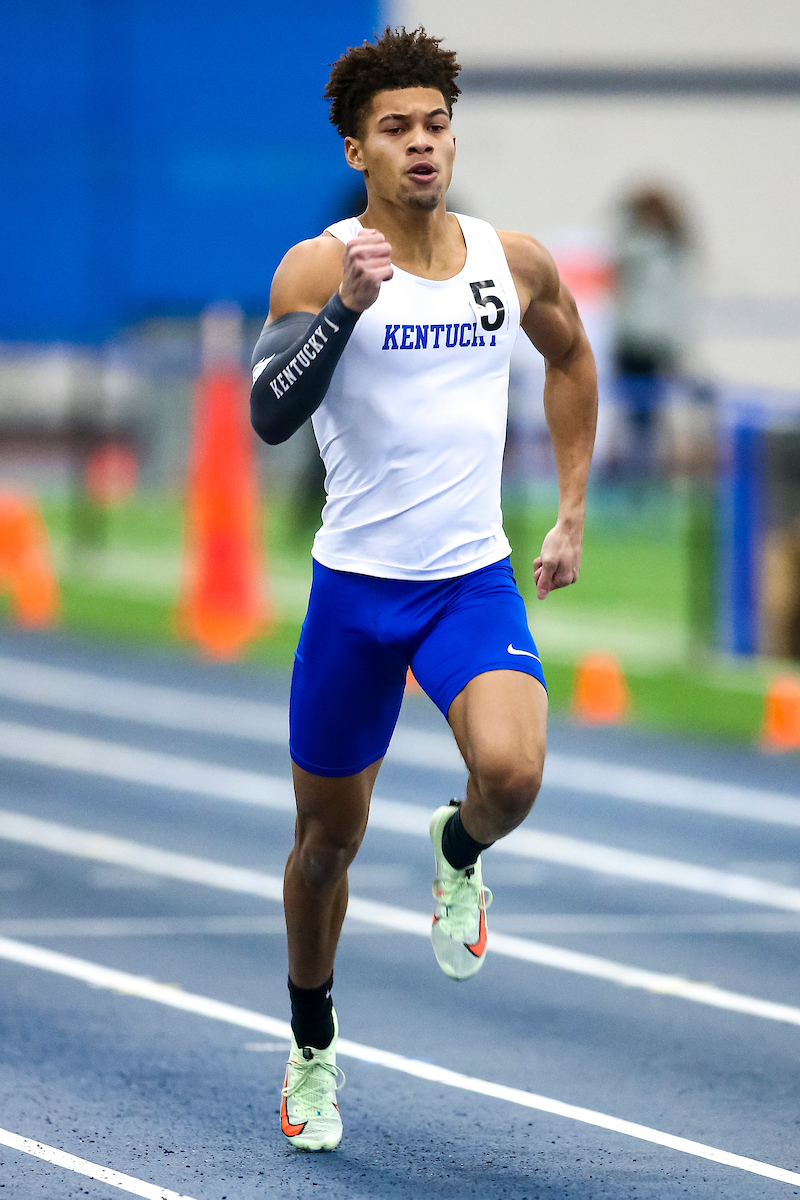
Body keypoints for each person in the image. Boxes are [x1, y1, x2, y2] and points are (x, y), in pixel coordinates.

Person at [250, 27, 597, 1151]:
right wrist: (346, 310)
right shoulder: (317, 267)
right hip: (356, 594)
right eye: (395, 128)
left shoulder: (512, 261)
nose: (420, 144)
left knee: (514, 772)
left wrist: (571, 508)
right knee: (324, 847)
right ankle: (311, 1047)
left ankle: (458, 849)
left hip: (467, 584)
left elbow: (569, 356)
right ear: (358, 149)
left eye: (435, 124)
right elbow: (268, 416)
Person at [611, 186, 693, 478]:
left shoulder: (653, 250)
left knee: (648, 415)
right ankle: (638, 471)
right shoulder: (653, 250)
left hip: (648, 342)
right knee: (637, 414)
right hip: (639, 342)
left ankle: (646, 472)